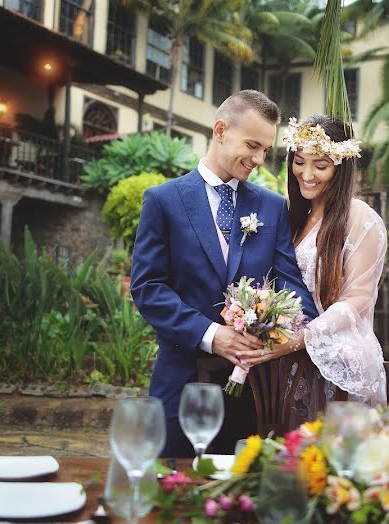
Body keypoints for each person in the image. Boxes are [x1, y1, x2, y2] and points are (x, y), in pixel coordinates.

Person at [130, 91, 318, 457]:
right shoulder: (163, 200)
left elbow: (293, 291)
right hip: (180, 383)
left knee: (237, 498)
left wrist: (286, 333)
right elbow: (148, 287)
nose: (259, 159)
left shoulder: (272, 207)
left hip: (253, 395)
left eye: (266, 149)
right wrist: (212, 334)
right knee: (174, 492)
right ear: (220, 130)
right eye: (252, 145)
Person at [238, 114, 388, 426]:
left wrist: (304, 337)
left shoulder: (360, 218)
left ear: (341, 167)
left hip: (339, 362)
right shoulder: (293, 218)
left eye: (321, 165)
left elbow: (359, 298)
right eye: (299, 162)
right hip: (292, 364)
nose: (307, 174)